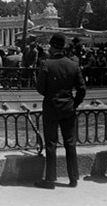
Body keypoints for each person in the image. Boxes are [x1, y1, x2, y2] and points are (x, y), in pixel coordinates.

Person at [34, 33, 86, 189]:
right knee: (70, 143)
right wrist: (74, 103)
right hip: (68, 107)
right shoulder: (73, 65)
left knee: (51, 144)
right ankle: (73, 178)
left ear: (52, 46)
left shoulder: (46, 64)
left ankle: (50, 179)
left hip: (51, 107)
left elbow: (41, 89)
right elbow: (82, 89)